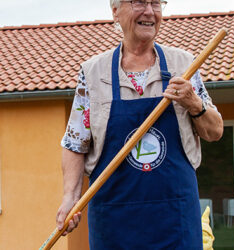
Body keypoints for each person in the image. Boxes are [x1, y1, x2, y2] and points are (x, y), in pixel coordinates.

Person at [56, 0, 224, 249]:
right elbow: (74, 143)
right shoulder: (93, 73)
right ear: (115, 11)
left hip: (175, 219)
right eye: (138, 2)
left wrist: (192, 102)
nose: (149, 11)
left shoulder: (185, 65)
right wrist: (70, 197)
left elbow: (215, 131)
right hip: (114, 221)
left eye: (156, 3)